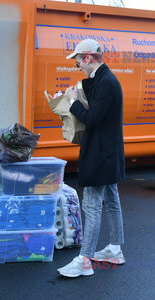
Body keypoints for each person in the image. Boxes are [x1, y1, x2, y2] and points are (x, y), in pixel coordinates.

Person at [53, 39, 125, 278]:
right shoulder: (105, 80)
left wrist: (72, 101)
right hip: (108, 151)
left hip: (100, 154)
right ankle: (115, 248)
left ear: (87, 58)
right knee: (112, 199)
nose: (78, 68)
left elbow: (92, 119)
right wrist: (78, 91)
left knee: (92, 206)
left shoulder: (107, 83)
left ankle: (84, 260)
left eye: (78, 63)